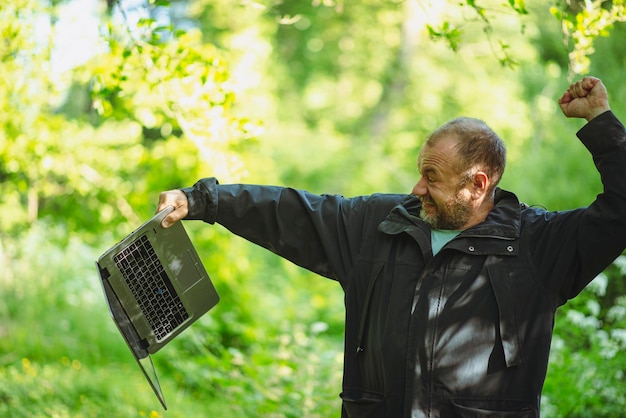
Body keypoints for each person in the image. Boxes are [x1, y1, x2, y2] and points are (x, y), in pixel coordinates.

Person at [157, 76, 626, 417]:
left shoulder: (539, 245)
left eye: (432, 178)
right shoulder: (379, 225)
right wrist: (201, 200)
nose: (417, 188)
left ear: (477, 184)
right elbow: (290, 210)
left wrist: (602, 126)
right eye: (421, 172)